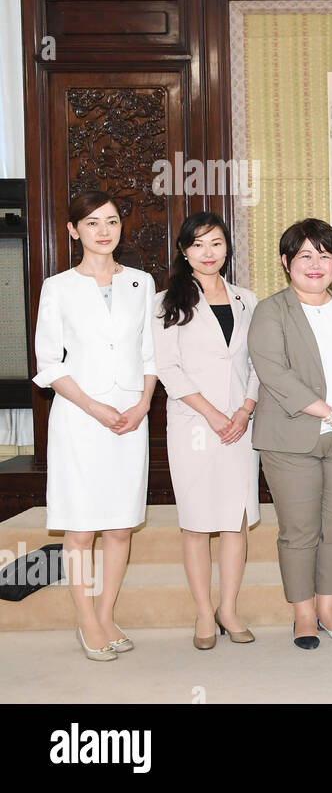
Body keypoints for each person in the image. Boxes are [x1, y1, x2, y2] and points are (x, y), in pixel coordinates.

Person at [33, 189, 156, 661]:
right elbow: (48, 362)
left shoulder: (141, 283)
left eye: (111, 221)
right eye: (92, 223)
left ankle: (106, 615)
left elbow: (149, 353)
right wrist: (93, 407)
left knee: (121, 526)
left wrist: (144, 402)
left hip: (131, 417)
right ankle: (86, 621)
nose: (104, 231)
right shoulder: (58, 286)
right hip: (81, 420)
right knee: (81, 528)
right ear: (73, 230)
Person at [248, 219, 332, 650]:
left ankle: (328, 607)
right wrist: (328, 411)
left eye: (324, 255)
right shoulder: (272, 310)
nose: (316, 264)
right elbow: (273, 372)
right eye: (305, 255)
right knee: (300, 529)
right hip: (291, 439)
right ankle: (303, 614)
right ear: (287, 263)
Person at [153, 213, 261, 650]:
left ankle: (228, 608)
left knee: (235, 521)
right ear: (183, 251)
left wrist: (246, 408)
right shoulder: (167, 301)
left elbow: (256, 363)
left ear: (227, 249)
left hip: (241, 425)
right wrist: (214, 415)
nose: (208, 253)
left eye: (216, 243)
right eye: (198, 245)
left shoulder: (247, 299)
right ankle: (203, 612)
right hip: (194, 425)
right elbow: (168, 369)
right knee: (198, 522)